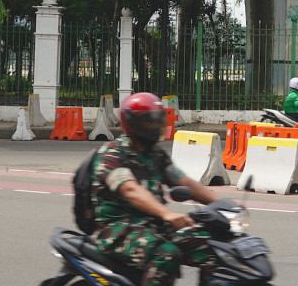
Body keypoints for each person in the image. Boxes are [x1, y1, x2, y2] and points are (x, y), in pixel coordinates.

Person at [90, 92, 220, 286]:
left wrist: (223, 204)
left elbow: (183, 181)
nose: (156, 126)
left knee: (212, 246)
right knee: (167, 254)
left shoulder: (154, 153)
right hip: (118, 230)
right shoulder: (113, 154)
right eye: (149, 121)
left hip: (153, 225)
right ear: (133, 124)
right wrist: (167, 214)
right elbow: (131, 190)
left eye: (158, 120)